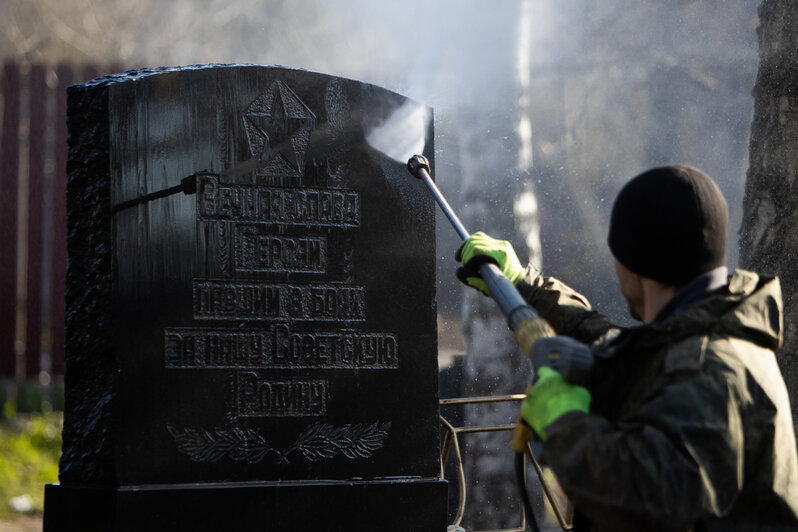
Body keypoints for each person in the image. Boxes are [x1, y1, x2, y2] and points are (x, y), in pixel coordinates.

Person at [455, 165, 798, 531]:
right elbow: (619, 347)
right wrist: (525, 284)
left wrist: (564, 424)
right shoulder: (707, 337)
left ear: (636, 262)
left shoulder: (710, 367)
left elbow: (645, 503)